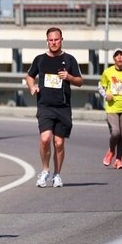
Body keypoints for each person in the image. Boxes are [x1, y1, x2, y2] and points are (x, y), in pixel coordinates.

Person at [25, 27, 83, 188]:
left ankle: (57, 174)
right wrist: (32, 87)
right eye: (50, 40)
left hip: (63, 107)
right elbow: (29, 76)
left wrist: (69, 77)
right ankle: (45, 170)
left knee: (59, 143)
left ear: (61, 40)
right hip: (45, 105)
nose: (53, 43)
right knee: (45, 140)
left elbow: (80, 81)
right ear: (47, 41)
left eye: (56, 39)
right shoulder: (40, 59)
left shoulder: (69, 59)